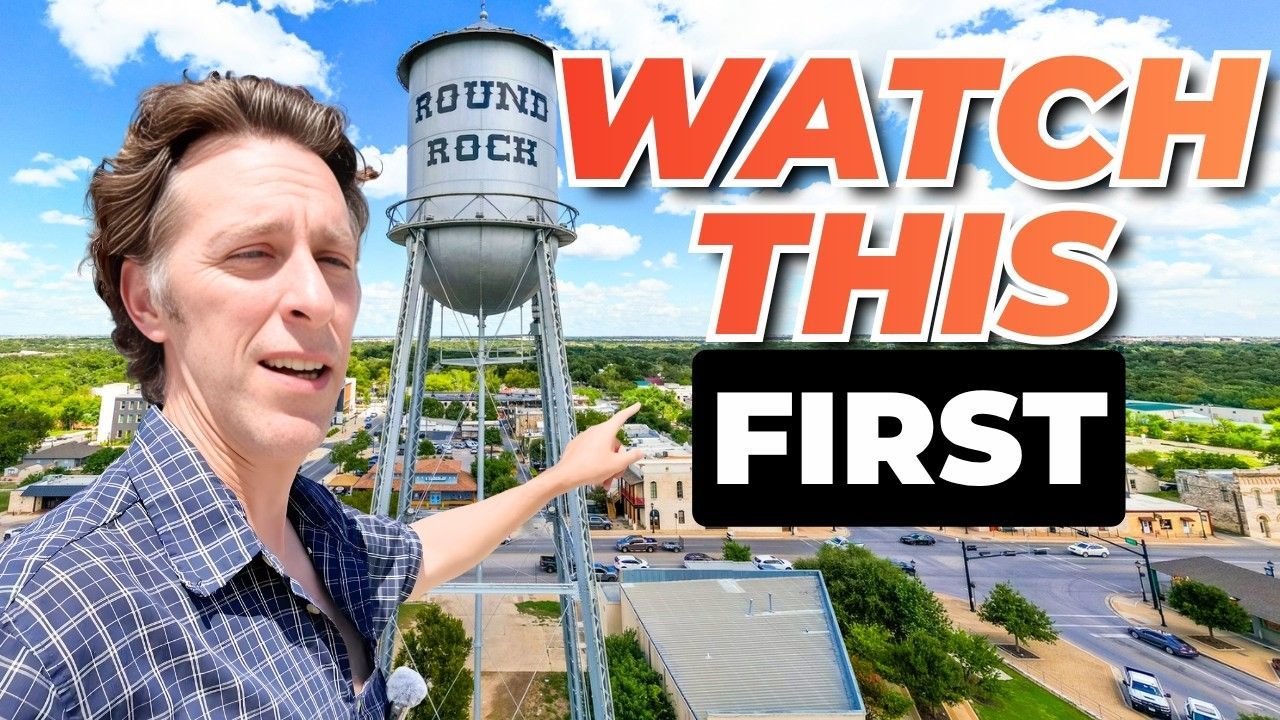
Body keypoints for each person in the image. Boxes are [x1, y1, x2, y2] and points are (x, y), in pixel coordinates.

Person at [0, 72, 644, 719]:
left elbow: (430, 547)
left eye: (335, 259)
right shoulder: (43, 630)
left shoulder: (321, 534)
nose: (314, 299)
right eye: (254, 252)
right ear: (147, 299)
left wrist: (563, 476)